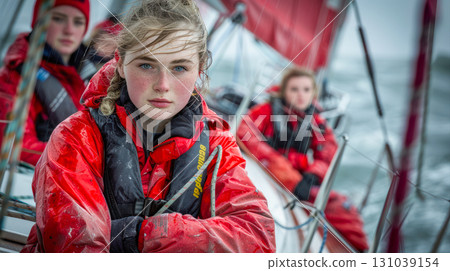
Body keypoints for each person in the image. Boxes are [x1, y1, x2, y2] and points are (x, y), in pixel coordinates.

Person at [21, 0, 276, 253]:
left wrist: (142, 235)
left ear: (199, 69)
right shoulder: (75, 138)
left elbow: (258, 237)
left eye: (179, 67)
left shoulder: (217, 144)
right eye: (146, 65)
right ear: (120, 63)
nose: (163, 84)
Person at [237, 67, 369, 252]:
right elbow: (244, 131)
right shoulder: (266, 110)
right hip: (271, 171)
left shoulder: (316, 121)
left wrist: (314, 175)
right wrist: (286, 175)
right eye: (294, 89)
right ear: (283, 91)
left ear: (313, 93)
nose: (300, 95)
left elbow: (328, 151)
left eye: (306, 90)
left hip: (301, 179)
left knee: (343, 210)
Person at [0, 0, 96, 166]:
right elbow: (16, 147)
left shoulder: (93, 81)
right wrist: (79, 160)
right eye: (58, 19)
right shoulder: (14, 78)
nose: (69, 30)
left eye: (78, 22)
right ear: (40, 23)